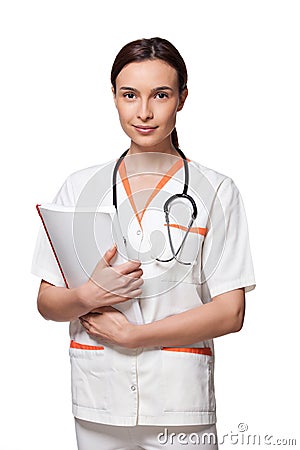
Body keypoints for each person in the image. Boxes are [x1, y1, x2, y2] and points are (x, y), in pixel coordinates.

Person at [31, 37, 256, 450]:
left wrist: (136, 336)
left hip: (178, 403)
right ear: (114, 97)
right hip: (100, 398)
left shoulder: (217, 192)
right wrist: (86, 295)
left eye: (161, 95)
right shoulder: (80, 188)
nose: (145, 112)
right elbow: (47, 302)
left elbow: (231, 311)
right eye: (130, 95)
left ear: (182, 99)